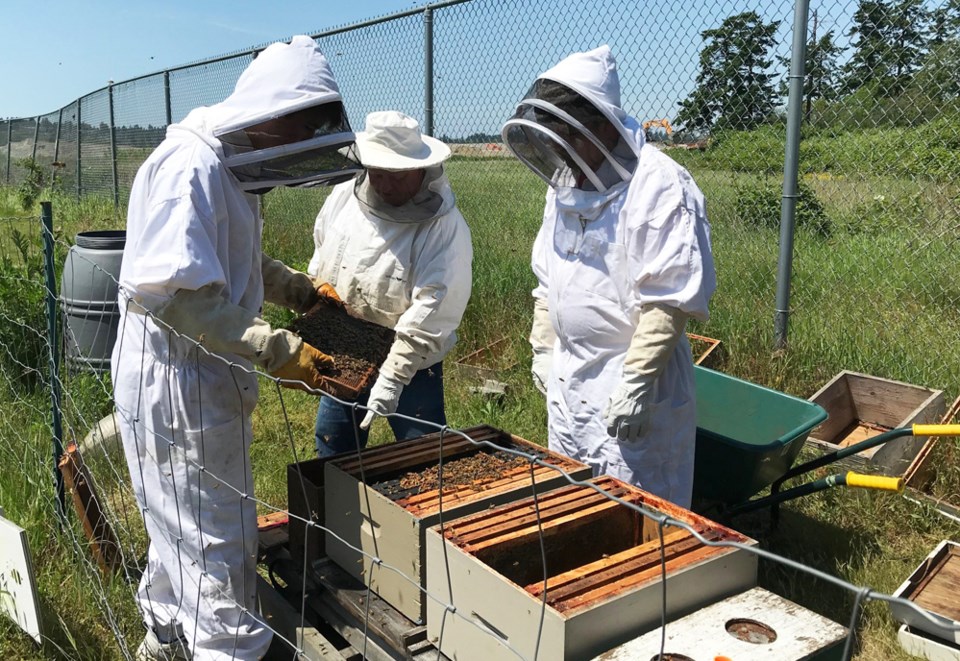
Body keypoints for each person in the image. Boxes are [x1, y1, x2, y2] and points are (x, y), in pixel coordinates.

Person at [111, 36, 361, 661]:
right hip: (179, 380)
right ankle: (224, 650)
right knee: (215, 540)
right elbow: (177, 298)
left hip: (197, 374)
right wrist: (278, 349)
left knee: (179, 529)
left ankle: (164, 638)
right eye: (298, 130)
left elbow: (231, 257)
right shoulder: (189, 169)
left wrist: (294, 290)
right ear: (272, 114)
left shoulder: (231, 165)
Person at [501, 45, 716, 508]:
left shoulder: (660, 185)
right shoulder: (563, 189)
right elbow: (547, 280)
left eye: (567, 139)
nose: (560, 153)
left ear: (600, 127)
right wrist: (543, 349)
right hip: (568, 378)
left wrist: (636, 383)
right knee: (573, 500)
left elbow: (669, 298)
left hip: (633, 381)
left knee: (639, 510)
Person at [307, 110, 472, 456]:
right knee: (332, 450)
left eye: (397, 176)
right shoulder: (343, 197)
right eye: (377, 174)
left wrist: (395, 375)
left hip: (413, 365)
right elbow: (321, 248)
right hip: (346, 353)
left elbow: (434, 304)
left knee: (425, 457)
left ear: (420, 169)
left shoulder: (442, 227)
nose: (385, 185)